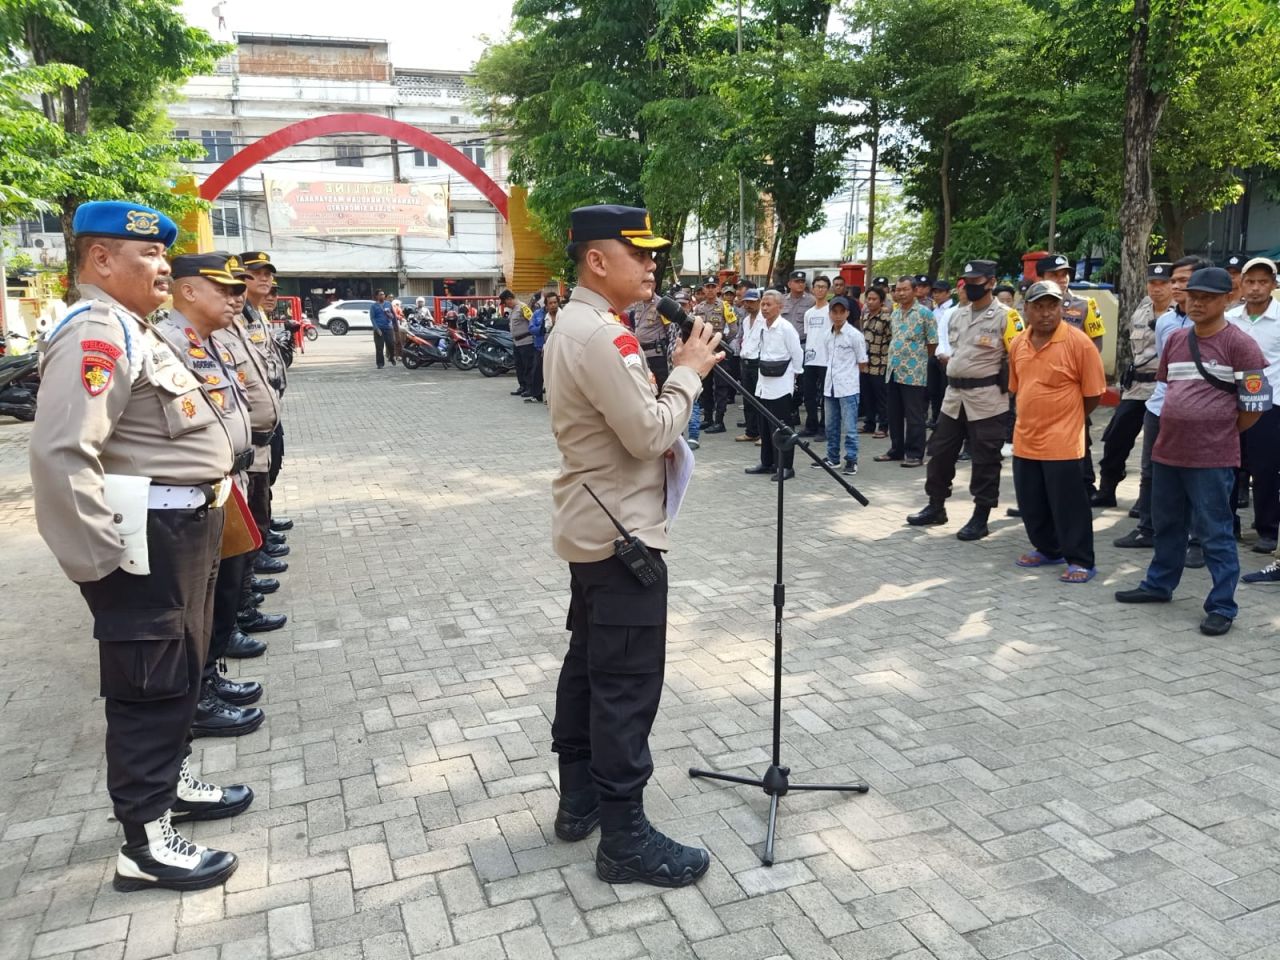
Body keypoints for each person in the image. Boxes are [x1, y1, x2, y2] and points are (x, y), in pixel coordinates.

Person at [29, 201, 249, 891]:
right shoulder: (96, 332)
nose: (162, 267)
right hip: (144, 546)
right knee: (148, 686)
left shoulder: (133, 328)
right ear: (99, 259)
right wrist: (104, 565)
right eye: (147, 254)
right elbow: (64, 455)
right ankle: (145, 844)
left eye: (162, 254)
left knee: (177, 674)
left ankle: (170, 784)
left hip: (180, 534)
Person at [543, 203, 720, 887]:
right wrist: (690, 371)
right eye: (639, 252)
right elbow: (648, 434)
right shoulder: (599, 336)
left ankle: (579, 798)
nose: (652, 264)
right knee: (625, 686)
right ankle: (625, 839)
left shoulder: (588, 324)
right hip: (623, 539)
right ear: (597, 259)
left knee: (589, 666)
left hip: (596, 528)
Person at [1116, 267, 1269, 635]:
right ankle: (1159, 584)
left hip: (1212, 457)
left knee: (1214, 532)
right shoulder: (1178, 341)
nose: (1197, 302)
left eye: (1208, 297)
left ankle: (1222, 605)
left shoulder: (1240, 345)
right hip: (1168, 450)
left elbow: (1256, 404)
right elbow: (1170, 390)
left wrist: (1219, 432)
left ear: (1227, 299)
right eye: (1193, 296)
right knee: (1168, 524)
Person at [156, 254, 266, 736]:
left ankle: (208, 677)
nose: (233, 297)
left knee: (210, 599)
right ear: (188, 291)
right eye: (221, 288)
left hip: (221, 485)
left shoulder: (204, 341)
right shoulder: (165, 342)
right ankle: (198, 694)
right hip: (180, 503)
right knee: (194, 610)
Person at [907, 261, 1020, 540]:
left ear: (990, 282)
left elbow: (1019, 358)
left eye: (977, 279)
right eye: (967, 279)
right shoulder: (958, 315)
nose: (970, 284)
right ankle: (936, 506)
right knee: (940, 453)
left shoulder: (1007, 317)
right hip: (954, 397)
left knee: (985, 459)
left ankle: (980, 516)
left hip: (988, 398)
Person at [1008, 280, 1106, 583]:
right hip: (1025, 437)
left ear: (1061, 308)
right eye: (1039, 306)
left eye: (1053, 306)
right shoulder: (1018, 344)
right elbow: (1016, 387)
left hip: (1063, 440)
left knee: (1070, 505)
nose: (1046, 313)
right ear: (1026, 309)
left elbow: (1093, 394)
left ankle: (1080, 560)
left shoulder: (1079, 343)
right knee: (1032, 502)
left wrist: (1069, 418)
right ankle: (1048, 549)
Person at [1113, 256, 1210, 552]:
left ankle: (1196, 539)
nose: (1178, 286)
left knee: (1197, 475)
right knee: (1150, 471)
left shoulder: (1216, 323)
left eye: (1184, 280)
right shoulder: (1165, 322)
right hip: (1160, 406)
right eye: (1175, 280)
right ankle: (1148, 528)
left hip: (1198, 411)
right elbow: (1164, 366)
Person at [235, 251, 291, 611]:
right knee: (253, 492)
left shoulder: (254, 316)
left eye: (269, 276)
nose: (267, 284)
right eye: (258, 276)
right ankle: (251, 566)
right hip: (246, 433)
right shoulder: (236, 319)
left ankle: (261, 541)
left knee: (264, 482)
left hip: (261, 424)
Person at [1092, 262, 1172, 509]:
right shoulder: (1142, 308)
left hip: (1162, 390)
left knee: (1154, 447)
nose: (1156, 289)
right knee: (1116, 438)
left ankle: (1145, 500)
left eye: (1163, 283)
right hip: (1136, 387)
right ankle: (1107, 489)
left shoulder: (1182, 313)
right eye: (1152, 283)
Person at [1035, 254, 1106, 495]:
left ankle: (1086, 485)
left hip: (1071, 385)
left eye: (1064, 274)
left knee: (1079, 434)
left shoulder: (1085, 305)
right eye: (1055, 274)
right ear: (1041, 277)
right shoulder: (1030, 306)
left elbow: (1095, 344)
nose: (1062, 279)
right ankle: (1042, 490)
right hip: (1040, 385)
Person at [1227, 257, 1280, 555]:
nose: (1257, 288)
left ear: (1273, 285)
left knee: (1266, 470)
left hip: (1270, 406)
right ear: (1242, 284)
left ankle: (1268, 530)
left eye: (1263, 282)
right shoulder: (1231, 319)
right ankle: (1227, 524)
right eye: (1251, 281)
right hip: (1232, 405)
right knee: (1229, 467)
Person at [875, 276, 937, 467]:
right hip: (893, 369)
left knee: (914, 415)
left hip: (914, 372)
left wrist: (917, 360)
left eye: (905, 289)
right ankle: (896, 449)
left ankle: (915, 453)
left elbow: (932, 343)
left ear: (915, 290)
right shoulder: (895, 313)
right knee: (894, 413)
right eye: (898, 290)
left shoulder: (925, 313)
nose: (900, 293)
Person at [744, 289, 804, 480]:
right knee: (764, 426)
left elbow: (797, 355)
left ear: (780, 307)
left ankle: (786, 466)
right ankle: (767, 462)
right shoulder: (762, 326)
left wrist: (795, 378)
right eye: (763, 304)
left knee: (782, 426)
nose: (765, 308)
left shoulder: (786, 328)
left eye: (769, 305)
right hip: (764, 382)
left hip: (781, 385)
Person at [817, 296, 867, 474]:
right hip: (830, 386)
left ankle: (851, 459)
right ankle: (833, 457)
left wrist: (850, 377)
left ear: (847, 313)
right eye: (834, 312)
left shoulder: (855, 336)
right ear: (829, 313)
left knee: (850, 428)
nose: (837, 316)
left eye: (841, 312)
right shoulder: (827, 335)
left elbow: (862, 362)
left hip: (848, 387)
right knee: (831, 426)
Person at [692, 277, 733, 433]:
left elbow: (733, 328)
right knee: (705, 385)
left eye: (713, 286)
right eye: (707, 287)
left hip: (719, 352)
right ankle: (708, 418)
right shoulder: (698, 308)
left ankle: (719, 421)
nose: (709, 289)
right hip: (704, 352)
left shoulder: (725, 306)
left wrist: (723, 340)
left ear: (718, 289)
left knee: (721, 386)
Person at [800, 275, 832, 437]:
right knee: (809, 394)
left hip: (827, 360)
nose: (820, 289)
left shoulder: (831, 311)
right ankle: (810, 425)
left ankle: (824, 427)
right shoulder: (809, 313)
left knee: (826, 396)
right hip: (810, 359)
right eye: (817, 286)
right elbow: (809, 335)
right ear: (812, 289)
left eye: (823, 287)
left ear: (828, 290)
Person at [859, 285, 891, 437]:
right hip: (865, 362)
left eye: (874, 299)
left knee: (881, 397)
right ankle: (869, 423)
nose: (870, 302)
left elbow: (891, 340)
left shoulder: (886, 319)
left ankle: (884, 426)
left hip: (880, 363)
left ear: (881, 301)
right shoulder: (864, 316)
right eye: (868, 299)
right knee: (867, 395)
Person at [735, 288, 764, 444]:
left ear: (759, 302)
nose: (748, 305)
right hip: (745, 362)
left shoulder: (764, 320)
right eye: (746, 302)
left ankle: (762, 434)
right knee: (748, 399)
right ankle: (751, 431)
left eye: (752, 302)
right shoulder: (745, 320)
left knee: (760, 400)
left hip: (758, 362)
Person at [925, 278, 953, 427]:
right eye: (934, 292)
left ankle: (943, 420)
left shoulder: (953, 310)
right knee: (933, 389)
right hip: (933, 353)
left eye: (940, 292)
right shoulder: (934, 311)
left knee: (944, 389)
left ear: (948, 293)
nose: (936, 295)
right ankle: (934, 417)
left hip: (947, 355)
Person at [630, 292, 670, 387]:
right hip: (641, 354)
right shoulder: (638, 304)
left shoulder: (661, 304)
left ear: (654, 284)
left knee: (660, 386)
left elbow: (669, 328)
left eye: (650, 282)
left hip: (656, 354)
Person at [507, 290, 536, 397]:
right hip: (517, 342)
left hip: (526, 341)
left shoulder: (523, 307)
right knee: (519, 366)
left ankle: (529, 388)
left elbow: (532, 320)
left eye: (505, 302)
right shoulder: (513, 310)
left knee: (527, 366)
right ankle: (522, 386)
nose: (506, 305)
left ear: (509, 299)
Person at [780, 270, 815, 337]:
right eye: (797, 282)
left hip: (802, 342)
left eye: (802, 282)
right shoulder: (782, 300)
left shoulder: (812, 301)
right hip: (784, 341)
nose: (800, 284)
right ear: (789, 284)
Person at [369, 290, 397, 368]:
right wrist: (377, 329)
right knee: (379, 347)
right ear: (376, 296)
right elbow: (372, 318)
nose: (382, 296)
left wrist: (395, 325)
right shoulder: (373, 306)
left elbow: (393, 315)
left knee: (391, 345)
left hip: (388, 328)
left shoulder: (388, 304)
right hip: (379, 329)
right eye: (380, 294)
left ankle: (391, 357)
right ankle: (380, 364)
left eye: (383, 294)